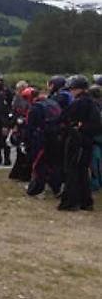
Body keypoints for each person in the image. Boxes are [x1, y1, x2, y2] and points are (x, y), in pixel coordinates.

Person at [57, 75, 101, 211]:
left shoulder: (80, 103)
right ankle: (85, 200)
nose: (70, 91)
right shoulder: (91, 102)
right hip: (87, 140)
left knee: (72, 169)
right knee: (82, 170)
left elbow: (63, 116)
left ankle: (71, 201)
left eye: (71, 89)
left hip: (78, 140)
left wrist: (76, 127)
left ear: (77, 89)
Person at [23, 88, 63, 198]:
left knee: (39, 164)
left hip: (41, 139)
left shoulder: (35, 108)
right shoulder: (53, 103)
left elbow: (30, 127)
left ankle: (38, 190)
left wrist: (27, 142)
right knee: (53, 164)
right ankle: (57, 187)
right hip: (56, 137)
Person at [8, 80, 32, 181]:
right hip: (19, 124)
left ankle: (23, 173)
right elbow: (14, 111)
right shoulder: (16, 98)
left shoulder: (29, 99)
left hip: (26, 125)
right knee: (19, 150)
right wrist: (14, 124)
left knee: (24, 151)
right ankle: (17, 173)